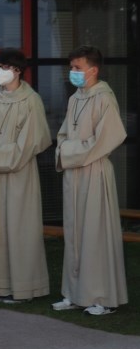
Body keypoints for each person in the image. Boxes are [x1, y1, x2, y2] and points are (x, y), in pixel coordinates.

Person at [52, 46, 127, 316]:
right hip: (75, 173)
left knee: (95, 234)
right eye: (71, 67)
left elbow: (110, 137)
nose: (72, 72)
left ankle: (102, 297)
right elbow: (62, 135)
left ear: (93, 70)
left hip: (94, 171)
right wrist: (65, 149)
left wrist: (69, 152)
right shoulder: (75, 98)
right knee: (74, 232)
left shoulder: (104, 98)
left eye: (77, 67)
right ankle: (74, 294)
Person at [0, 49, 52, 304]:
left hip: (20, 174)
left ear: (18, 70)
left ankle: (25, 288)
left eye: (5, 66)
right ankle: (1, 287)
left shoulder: (31, 100)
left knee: (20, 228)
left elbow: (33, 141)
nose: (0, 71)